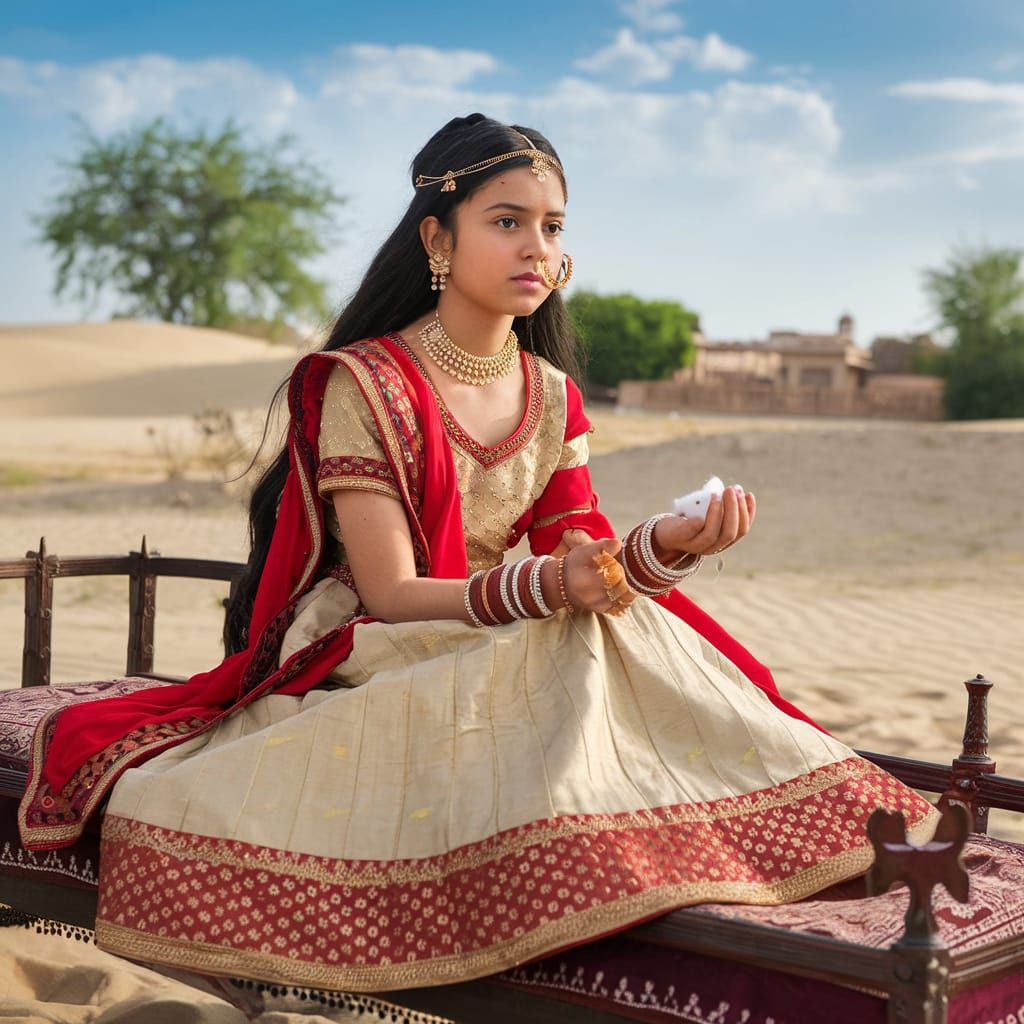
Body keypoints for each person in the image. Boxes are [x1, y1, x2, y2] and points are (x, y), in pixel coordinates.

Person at [19, 114, 937, 993]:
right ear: (437, 240)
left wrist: (663, 549)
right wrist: (552, 586)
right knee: (557, 650)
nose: (538, 247)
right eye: (507, 222)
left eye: (552, 225)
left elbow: (582, 552)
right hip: (378, 638)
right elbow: (391, 588)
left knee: (619, 641)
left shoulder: (550, 393)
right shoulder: (364, 383)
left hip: (516, 624)